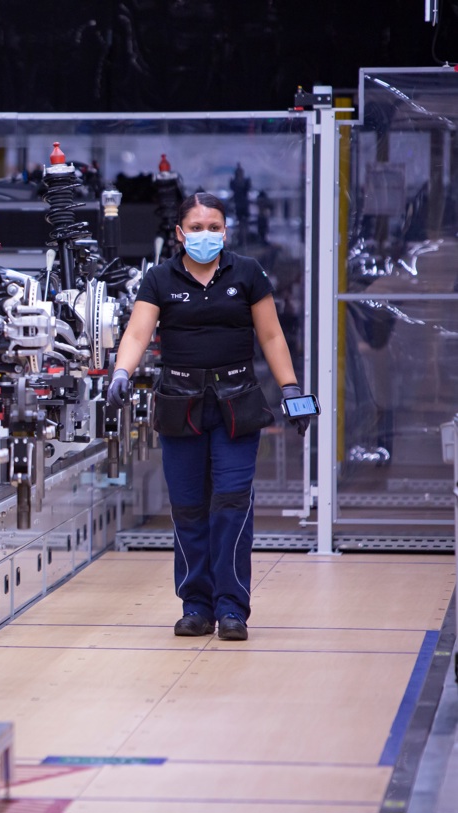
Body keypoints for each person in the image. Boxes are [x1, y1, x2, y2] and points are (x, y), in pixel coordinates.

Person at [106, 193, 308, 641]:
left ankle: (232, 607)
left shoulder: (248, 273)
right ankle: (195, 604)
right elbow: (138, 331)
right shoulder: (160, 278)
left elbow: (272, 335)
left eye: (213, 227)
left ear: (225, 231)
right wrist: (121, 371)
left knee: (232, 505)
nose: (204, 235)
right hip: (181, 406)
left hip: (237, 405)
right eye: (195, 228)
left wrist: (291, 388)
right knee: (189, 508)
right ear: (179, 234)